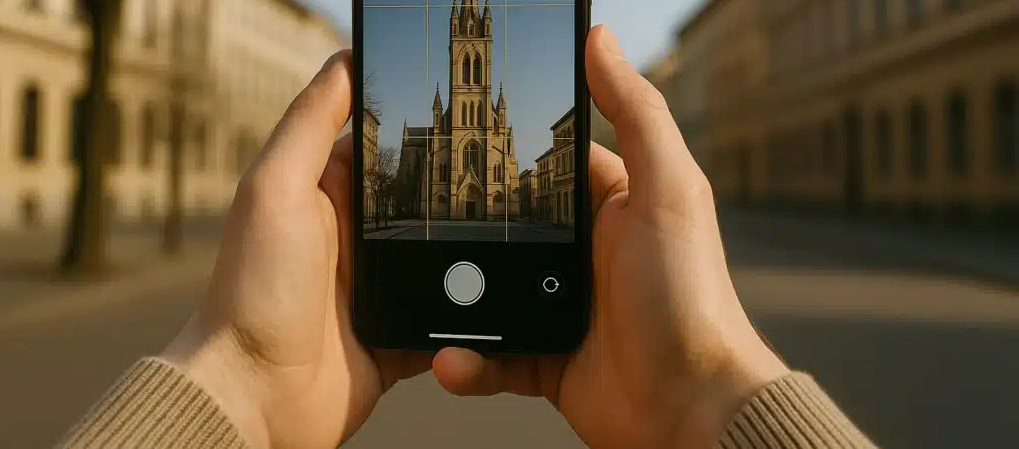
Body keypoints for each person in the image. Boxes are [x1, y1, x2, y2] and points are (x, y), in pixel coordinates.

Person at [58, 25, 877, 449]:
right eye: (468, 54)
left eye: (478, 53)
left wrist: (237, 388)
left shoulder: (500, 121)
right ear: (461, 47)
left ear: (480, 45)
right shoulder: (445, 124)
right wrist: (711, 399)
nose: (474, 66)